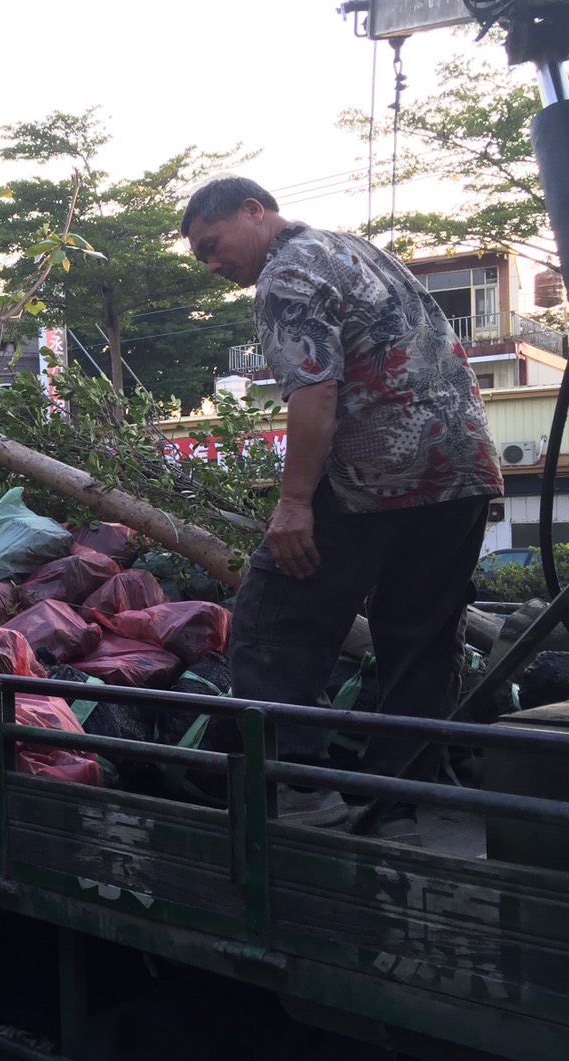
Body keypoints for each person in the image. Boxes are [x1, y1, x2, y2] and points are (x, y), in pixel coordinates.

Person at [181, 177, 503, 832]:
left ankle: (303, 789)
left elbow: (314, 394)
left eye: (214, 246)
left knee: (272, 621)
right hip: (463, 466)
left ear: (254, 212)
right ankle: (396, 803)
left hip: (380, 467)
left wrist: (295, 502)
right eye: (203, 259)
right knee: (420, 637)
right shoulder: (357, 252)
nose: (214, 266)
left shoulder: (286, 273)